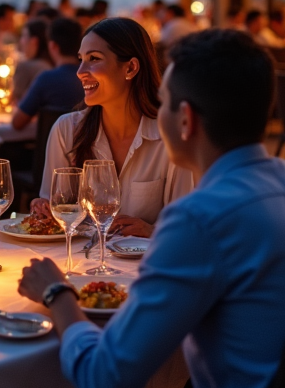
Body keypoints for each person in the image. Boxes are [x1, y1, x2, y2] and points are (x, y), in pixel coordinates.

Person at [18, 29, 285, 388]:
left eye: (166, 103)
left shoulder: (200, 219)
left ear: (186, 119)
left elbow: (103, 382)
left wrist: (58, 294)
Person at [29, 18, 194, 236]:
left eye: (93, 59)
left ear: (131, 67)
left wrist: (151, 230)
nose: (80, 71)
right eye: (81, 59)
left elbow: (185, 228)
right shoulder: (66, 131)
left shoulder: (170, 137)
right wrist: (44, 210)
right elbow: (57, 218)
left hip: (144, 265)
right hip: (80, 263)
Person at [12, 17, 85, 131]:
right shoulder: (90, 78)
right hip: (86, 146)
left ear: (53, 46)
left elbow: (17, 123)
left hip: (50, 147)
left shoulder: (46, 79)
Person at [11, 18, 53, 105]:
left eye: (23, 36)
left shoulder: (25, 67)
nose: (21, 41)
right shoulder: (53, 65)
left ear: (34, 41)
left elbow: (15, 101)